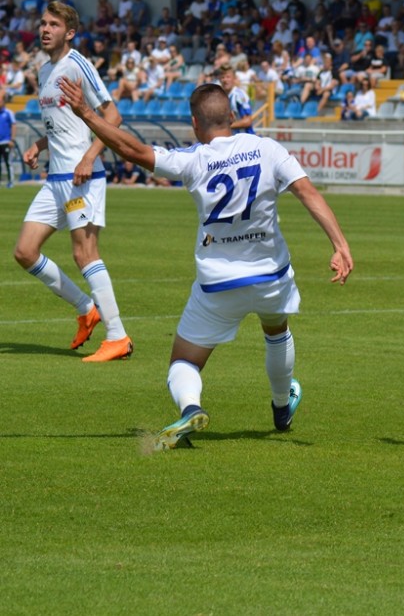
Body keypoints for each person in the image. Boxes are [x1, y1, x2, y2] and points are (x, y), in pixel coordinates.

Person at [59, 80, 353, 451]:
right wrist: (340, 245)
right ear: (232, 116)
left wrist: (87, 113)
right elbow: (307, 191)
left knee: (184, 361)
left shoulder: (193, 159)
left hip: (218, 284)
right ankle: (282, 407)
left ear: (195, 124)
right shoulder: (267, 148)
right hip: (270, 276)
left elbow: (132, 150)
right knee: (277, 331)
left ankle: (191, 407)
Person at [12, 2, 132, 362]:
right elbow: (64, 125)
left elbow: (113, 115)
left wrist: (90, 156)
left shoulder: (78, 64)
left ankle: (118, 337)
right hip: (56, 178)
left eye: (54, 24)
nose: (45, 29)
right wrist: (39, 144)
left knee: (84, 253)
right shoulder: (45, 70)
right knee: (25, 252)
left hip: (82, 176)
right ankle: (86, 308)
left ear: (70, 33)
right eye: (43, 23)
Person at [217, 63, 255, 134]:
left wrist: (224, 127)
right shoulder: (221, 96)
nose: (225, 80)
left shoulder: (239, 96)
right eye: (222, 77)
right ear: (219, 79)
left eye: (228, 77)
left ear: (234, 78)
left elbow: (247, 121)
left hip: (244, 138)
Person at [0, 90, 15, 188]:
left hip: (6, 141)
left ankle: (11, 182)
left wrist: (12, 140)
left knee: (8, 162)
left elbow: (13, 125)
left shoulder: (8, 113)